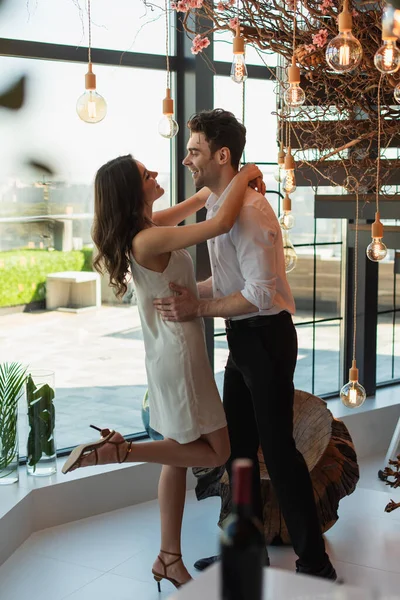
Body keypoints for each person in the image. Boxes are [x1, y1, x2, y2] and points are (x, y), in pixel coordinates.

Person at [61, 153, 263, 591]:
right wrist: (246, 173)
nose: (155, 173)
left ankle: (168, 558)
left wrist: (223, 174)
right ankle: (118, 452)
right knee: (216, 451)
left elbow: (202, 202)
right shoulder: (147, 240)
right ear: (132, 194)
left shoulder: (147, 229)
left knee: (176, 455)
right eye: (145, 175)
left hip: (167, 355)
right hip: (180, 357)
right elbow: (217, 225)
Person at [153, 108, 338, 581]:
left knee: (277, 451)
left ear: (221, 154)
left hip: (267, 339)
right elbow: (231, 280)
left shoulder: (251, 211)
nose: (186, 159)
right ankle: (247, 550)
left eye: (193, 150)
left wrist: (195, 310)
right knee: (239, 450)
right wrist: (194, 294)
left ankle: (313, 563)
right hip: (243, 339)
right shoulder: (219, 204)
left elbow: (258, 295)